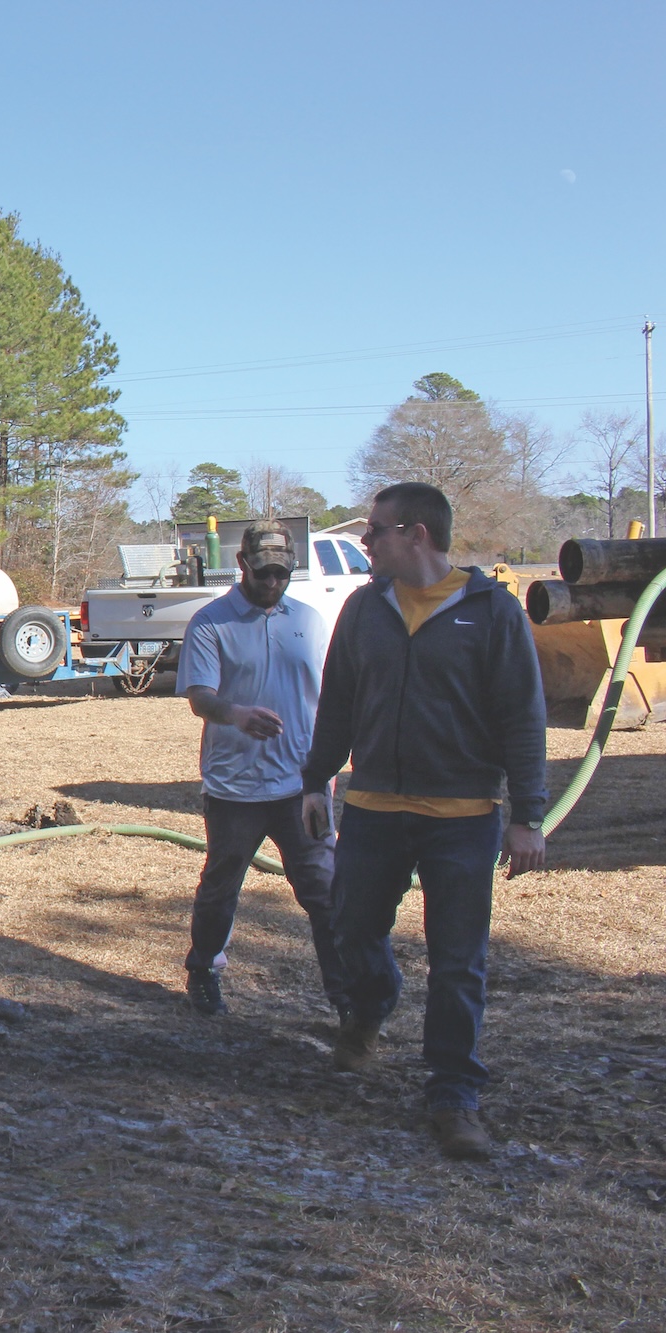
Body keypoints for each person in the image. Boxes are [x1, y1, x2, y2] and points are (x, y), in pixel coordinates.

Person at [301, 481, 547, 1162]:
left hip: (463, 816)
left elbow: (523, 718)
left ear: (415, 535)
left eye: (374, 531)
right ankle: (373, 1003)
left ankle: (453, 1096)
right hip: (375, 807)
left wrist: (528, 815)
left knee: (458, 961)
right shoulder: (364, 607)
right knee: (351, 926)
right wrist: (316, 778)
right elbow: (340, 701)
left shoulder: (490, 612)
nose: (365, 542)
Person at [176, 523, 350, 1020]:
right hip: (235, 788)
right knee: (221, 885)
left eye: (282, 572)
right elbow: (199, 697)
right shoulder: (211, 623)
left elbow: (332, 698)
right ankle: (205, 967)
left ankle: (346, 1000)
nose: (272, 582)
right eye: (263, 572)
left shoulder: (312, 622)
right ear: (242, 565)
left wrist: (327, 771)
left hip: (303, 788)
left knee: (325, 892)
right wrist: (237, 715)